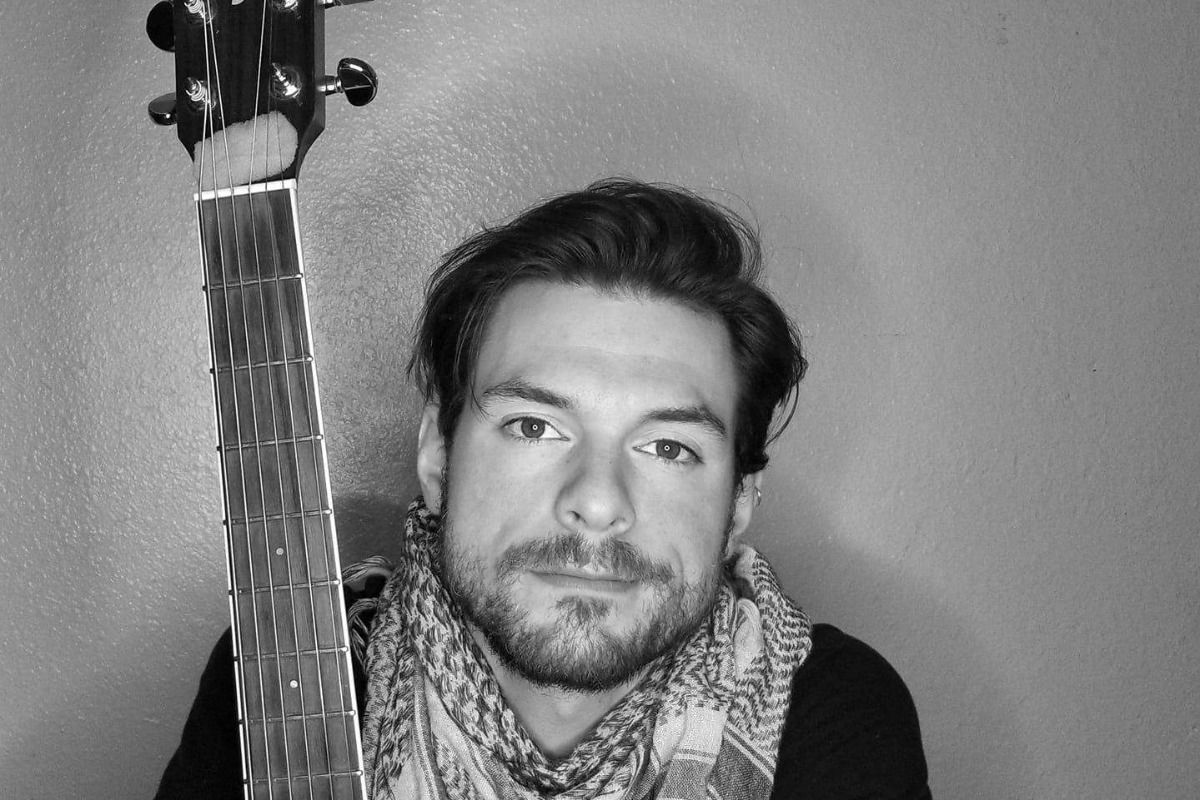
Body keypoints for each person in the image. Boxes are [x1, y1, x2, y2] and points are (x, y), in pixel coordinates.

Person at [155, 179, 931, 799]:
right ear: (438, 457)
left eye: (669, 447)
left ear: (738, 507)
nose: (597, 501)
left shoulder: (834, 716)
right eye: (533, 427)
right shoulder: (286, 669)